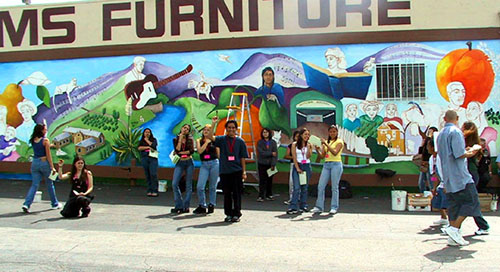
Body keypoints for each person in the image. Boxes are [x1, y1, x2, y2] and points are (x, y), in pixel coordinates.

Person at [438, 110, 484, 246]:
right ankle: (454, 228)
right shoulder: (456, 132)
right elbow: (459, 154)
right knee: (472, 201)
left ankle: (454, 236)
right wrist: (474, 150)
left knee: (454, 205)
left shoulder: (440, 134)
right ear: (457, 118)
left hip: (447, 175)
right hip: (460, 176)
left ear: (445, 119)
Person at [208, 117, 248, 222]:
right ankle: (228, 214)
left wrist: (244, 172)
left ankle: (237, 214)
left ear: (236, 129)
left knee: (237, 194)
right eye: (229, 127)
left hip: (237, 171)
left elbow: (243, 157)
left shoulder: (240, 141)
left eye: (233, 128)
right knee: (227, 194)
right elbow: (209, 136)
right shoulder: (221, 140)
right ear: (226, 129)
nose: (231, 129)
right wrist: (213, 123)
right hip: (225, 171)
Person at [22, 124, 62, 213]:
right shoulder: (45, 140)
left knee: (34, 185)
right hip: (44, 163)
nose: (46, 131)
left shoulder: (33, 140)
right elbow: (48, 155)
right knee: (50, 183)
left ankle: (26, 204)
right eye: (44, 129)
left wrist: (51, 145)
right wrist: (52, 167)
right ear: (41, 130)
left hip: (35, 163)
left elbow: (41, 147)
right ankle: (54, 203)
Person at [461, 121, 490, 235]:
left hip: (470, 173)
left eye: (463, 128)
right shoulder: (471, 142)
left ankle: (483, 225)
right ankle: (453, 225)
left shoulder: (474, 145)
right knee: (464, 200)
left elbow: (471, 154)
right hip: (468, 173)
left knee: (470, 201)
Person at [311, 125, 344, 214]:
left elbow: (334, 152)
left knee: (334, 187)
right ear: (328, 133)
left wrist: (325, 144)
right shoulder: (327, 142)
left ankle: (334, 207)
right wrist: (318, 150)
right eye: (330, 132)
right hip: (326, 164)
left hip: (336, 164)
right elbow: (322, 156)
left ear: (337, 132)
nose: (332, 133)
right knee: (321, 186)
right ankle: (319, 206)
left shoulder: (339, 141)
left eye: (334, 131)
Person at [193, 124, 220, 214]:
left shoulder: (215, 140)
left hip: (214, 163)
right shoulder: (199, 140)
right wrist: (206, 142)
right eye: (204, 129)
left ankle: (212, 204)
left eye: (208, 130)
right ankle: (202, 205)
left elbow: (218, 154)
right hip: (204, 164)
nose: (206, 131)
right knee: (200, 186)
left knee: (212, 186)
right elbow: (200, 151)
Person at [287, 128, 313, 214]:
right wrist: (297, 168)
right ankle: (293, 206)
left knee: (304, 187)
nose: (307, 136)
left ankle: (303, 205)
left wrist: (310, 148)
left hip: (306, 166)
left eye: (308, 135)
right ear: (301, 135)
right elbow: (294, 157)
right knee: (296, 187)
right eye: (305, 134)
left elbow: (308, 156)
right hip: (297, 165)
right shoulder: (294, 144)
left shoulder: (308, 144)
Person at [171, 124, 195, 214]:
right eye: (184, 128)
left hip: (189, 162)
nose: (185, 130)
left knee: (188, 184)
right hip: (180, 162)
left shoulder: (190, 139)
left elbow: (191, 151)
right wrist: (180, 140)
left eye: (187, 129)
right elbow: (177, 150)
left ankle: (186, 206)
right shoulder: (175, 139)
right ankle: (179, 205)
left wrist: (182, 152)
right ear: (181, 128)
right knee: (174, 183)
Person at [428, 137, 449, 226]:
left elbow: (436, 173)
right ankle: (444, 218)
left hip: (447, 182)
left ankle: (452, 223)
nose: (427, 148)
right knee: (438, 201)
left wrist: (435, 187)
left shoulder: (441, 156)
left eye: (428, 146)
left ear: (433, 147)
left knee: (447, 203)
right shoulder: (431, 158)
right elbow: (434, 174)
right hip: (440, 182)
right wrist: (433, 186)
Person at [256, 128, 278, 202]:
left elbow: (275, 154)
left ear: (269, 133)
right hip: (262, 163)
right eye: (264, 132)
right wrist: (270, 153)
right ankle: (261, 195)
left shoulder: (273, 142)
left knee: (270, 180)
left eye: (266, 132)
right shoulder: (260, 142)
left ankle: (269, 194)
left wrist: (273, 164)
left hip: (270, 164)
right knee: (262, 180)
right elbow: (261, 153)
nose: (265, 134)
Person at [138, 128, 159, 197]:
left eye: (148, 132)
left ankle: (155, 190)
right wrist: (147, 147)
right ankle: (149, 190)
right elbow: (139, 148)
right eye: (146, 132)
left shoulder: (154, 140)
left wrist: (147, 140)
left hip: (152, 158)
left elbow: (153, 146)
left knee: (153, 174)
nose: (147, 134)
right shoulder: (141, 140)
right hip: (145, 157)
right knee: (147, 174)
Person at [417, 127, 438, 192]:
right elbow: (421, 152)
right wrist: (422, 143)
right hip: (424, 164)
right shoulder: (426, 141)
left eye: (431, 132)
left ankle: (433, 190)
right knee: (421, 182)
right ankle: (424, 193)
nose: (429, 133)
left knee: (431, 180)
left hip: (430, 165)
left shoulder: (434, 141)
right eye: (429, 132)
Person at [283, 131, 300, 205]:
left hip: (302, 165)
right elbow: (286, 156)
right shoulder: (290, 145)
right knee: (292, 182)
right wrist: (294, 157)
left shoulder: (305, 146)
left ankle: (300, 198)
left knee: (302, 182)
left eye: (299, 136)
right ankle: (291, 198)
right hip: (293, 164)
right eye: (296, 136)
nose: (298, 138)